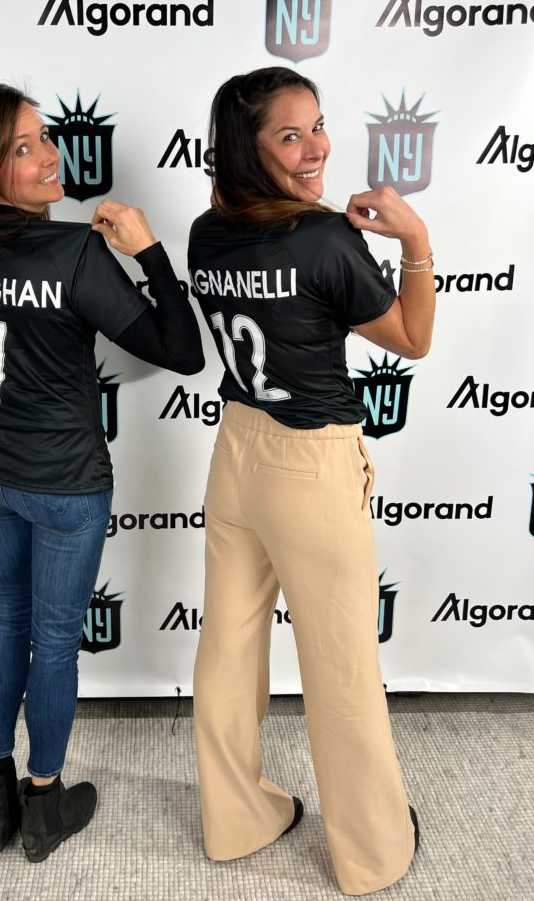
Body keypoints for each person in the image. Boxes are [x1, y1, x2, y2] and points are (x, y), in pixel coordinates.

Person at [0, 83, 204, 862]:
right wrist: (152, 252)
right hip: (64, 483)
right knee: (54, 640)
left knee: (9, 619)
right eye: (23, 148)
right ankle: (41, 804)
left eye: (43, 137)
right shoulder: (74, 251)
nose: (49, 154)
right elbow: (184, 352)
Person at [188, 66, 435, 896]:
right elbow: (410, 340)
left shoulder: (203, 231)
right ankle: (373, 852)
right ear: (247, 149)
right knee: (341, 666)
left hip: (236, 455)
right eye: (289, 135)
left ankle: (237, 821)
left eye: (318, 125)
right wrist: (415, 242)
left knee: (227, 646)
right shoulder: (324, 238)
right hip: (308, 463)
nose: (317, 146)